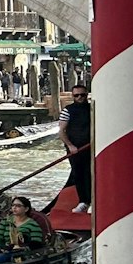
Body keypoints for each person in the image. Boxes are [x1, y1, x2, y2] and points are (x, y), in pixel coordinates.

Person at [59, 82, 93, 211]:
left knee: (90, 174)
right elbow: (61, 131)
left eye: (82, 95)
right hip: (75, 149)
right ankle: (83, 201)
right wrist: (70, 146)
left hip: (91, 147)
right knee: (79, 174)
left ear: (87, 95)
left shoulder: (92, 108)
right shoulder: (67, 111)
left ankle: (92, 201)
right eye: (76, 95)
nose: (80, 98)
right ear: (73, 96)